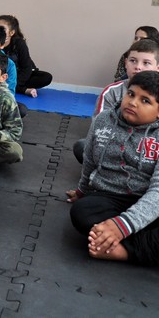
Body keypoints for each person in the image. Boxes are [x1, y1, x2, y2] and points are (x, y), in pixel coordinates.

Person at [66, 71, 159, 265]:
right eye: (131, 94)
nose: (133, 102)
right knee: (82, 212)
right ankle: (130, 240)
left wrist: (122, 226)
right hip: (111, 196)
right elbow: (89, 160)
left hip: (149, 197)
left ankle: (125, 251)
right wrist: (82, 190)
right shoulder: (103, 120)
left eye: (145, 101)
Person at [73, 39, 159, 163]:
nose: (138, 67)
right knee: (82, 146)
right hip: (115, 143)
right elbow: (100, 127)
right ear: (126, 63)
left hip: (145, 149)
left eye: (146, 63)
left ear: (157, 68)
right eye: (133, 61)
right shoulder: (112, 92)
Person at [0, 15, 52, 97]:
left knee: (46, 77)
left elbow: (26, 68)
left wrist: (15, 83)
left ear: (11, 32)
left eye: (2, 28)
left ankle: (15, 88)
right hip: (3, 76)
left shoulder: (19, 43)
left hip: (20, 75)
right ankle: (23, 90)